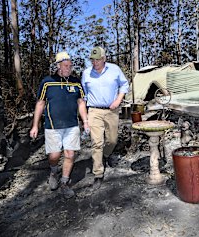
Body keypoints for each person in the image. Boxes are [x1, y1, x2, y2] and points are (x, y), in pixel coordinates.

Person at [30, 51, 89, 198]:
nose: (69, 68)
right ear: (58, 66)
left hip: (72, 125)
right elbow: (40, 104)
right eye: (65, 65)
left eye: (70, 65)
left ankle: (64, 182)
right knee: (54, 155)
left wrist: (85, 121)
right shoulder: (47, 82)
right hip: (53, 126)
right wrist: (35, 125)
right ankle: (54, 171)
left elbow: (81, 103)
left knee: (70, 154)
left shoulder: (76, 82)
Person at [81, 46, 129, 189]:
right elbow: (84, 93)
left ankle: (106, 155)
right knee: (96, 142)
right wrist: (84, 114)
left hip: (111, 110)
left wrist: (118, 100)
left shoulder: (114, 70)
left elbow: (124, 85)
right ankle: (98, 174)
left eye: (97, 60)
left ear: (104, 59)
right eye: (92, 60)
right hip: (94, 111)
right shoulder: (86, 74)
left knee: (112, 140)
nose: (94, 63)